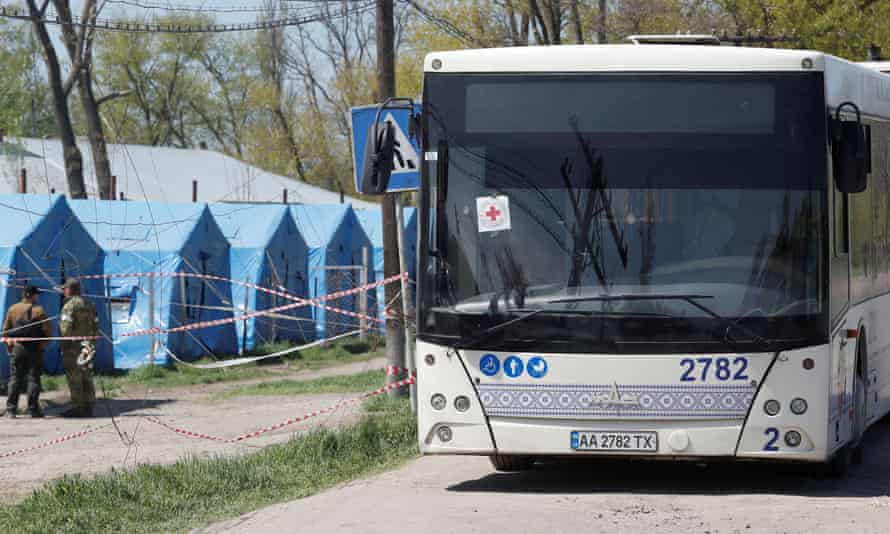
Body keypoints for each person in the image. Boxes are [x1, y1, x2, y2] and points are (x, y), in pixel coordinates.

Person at [2, 285, 51, 418]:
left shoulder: (13, 309)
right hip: (34, 349)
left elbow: (5, 330)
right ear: (31, 295)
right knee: (33, 378)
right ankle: (33, 409)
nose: (38, 296)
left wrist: (9, 348)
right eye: (36, 294)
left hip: (17, 348)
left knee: (15, 378)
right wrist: (42, 346)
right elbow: (47, 330)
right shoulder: (39, 310)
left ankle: (11, 409)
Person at [59, 279, 98, 418]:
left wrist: (65, 343)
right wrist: (92, 342)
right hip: (87, 346)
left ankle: (78, 407)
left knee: (74, 376)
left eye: (65, 289)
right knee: (87, 375)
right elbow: (96, 325)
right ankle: (89, 405)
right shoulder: (90, 304)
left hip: (73, 347)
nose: (64, 292)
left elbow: (65, 329)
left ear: (70, 289)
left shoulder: (69, 306)